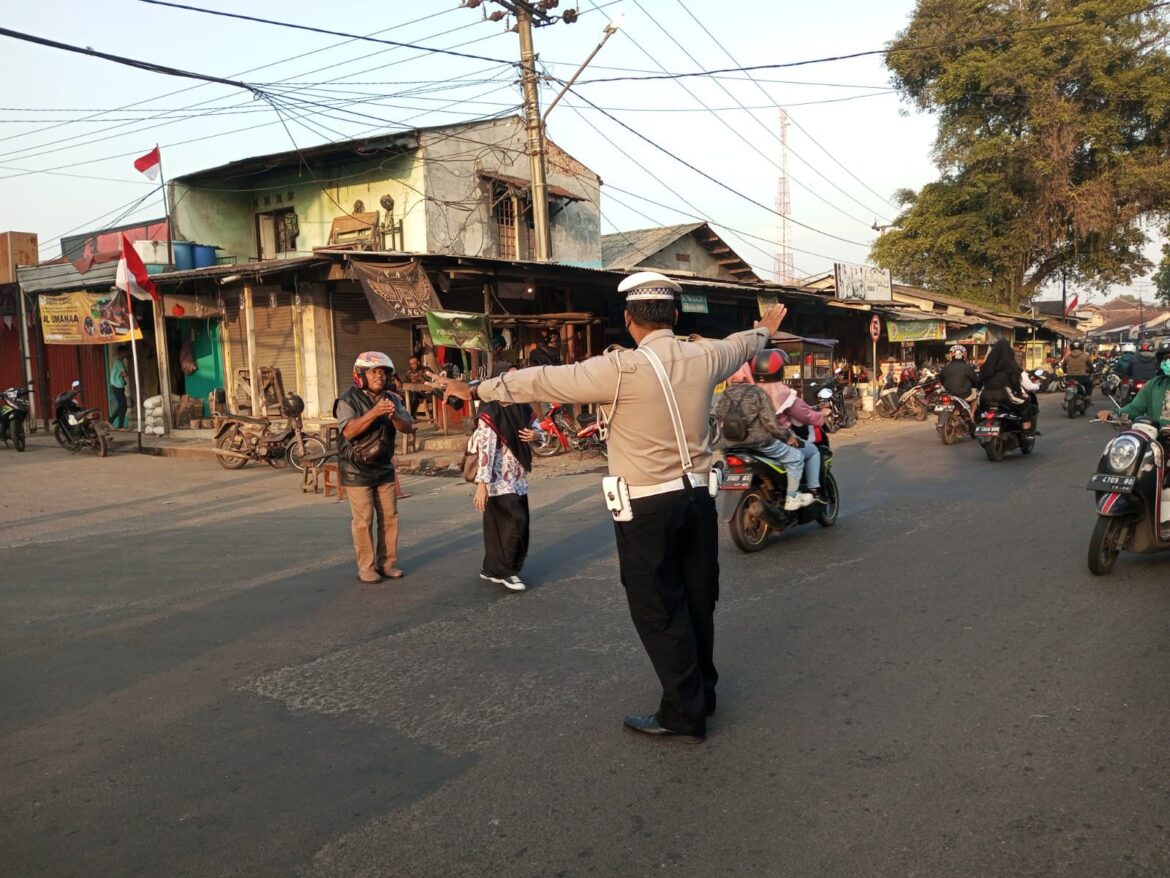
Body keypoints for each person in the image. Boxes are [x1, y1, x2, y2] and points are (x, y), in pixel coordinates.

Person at [435, 271, 788, 744]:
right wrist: (764, 326)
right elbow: (744, 343)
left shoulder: (618, 369)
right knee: (698, 600)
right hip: (700, 500)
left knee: (658, 609)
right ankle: (702, 692)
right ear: (675, 314)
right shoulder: (706, 356)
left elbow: (539, 380)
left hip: (647, 508)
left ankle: (684, 713)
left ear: (629, 319)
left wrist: (475, 390)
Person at [333, 352, 414, 584]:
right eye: (373, 372)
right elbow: (348, 431)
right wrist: (374, 413)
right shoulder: (347, 400)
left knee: (390, 517)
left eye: (383, 372)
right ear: (361, 376)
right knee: (364, 519)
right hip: (356, 467)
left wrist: (393, 415)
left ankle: (387, 563)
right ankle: (366, 567)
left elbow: (408, 427)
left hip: (384, 466)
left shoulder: (393, 398)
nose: (379, 376)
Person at [473, 363, 543, 592]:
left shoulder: (523, 408)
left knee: (497, 525)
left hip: (518, 477)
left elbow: (541, 433)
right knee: (516, 521)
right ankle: (508, 571)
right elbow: (485, 448)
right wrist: (481, 484)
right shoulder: (490, 410)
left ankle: (491, 568)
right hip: (497, 479)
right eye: (510, 378)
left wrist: (535, 435)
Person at [714, 359, 813, 511]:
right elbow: (770, 422)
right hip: (760, 444)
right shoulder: (756, 392)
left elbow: (717, 417)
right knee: (796, 458)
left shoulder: (724, 395)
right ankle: (792, 497)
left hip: (731, 446)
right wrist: (788, 436)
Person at [752, 351, 829, 502]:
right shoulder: (783, 393)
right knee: (812, 451)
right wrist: (822, 415)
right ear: (780, 371)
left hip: (751, 441)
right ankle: (813, 491)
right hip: (776, 440)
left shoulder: (751, 390)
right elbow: (804, 415)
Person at [1098, 340, 1170, 426]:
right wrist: (1113, 413)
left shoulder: (1134, 358)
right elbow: (1135, 409)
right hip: (1157, 437)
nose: (1168, 361)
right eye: (1165, 358)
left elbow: (1126, 370)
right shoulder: (1153, 385)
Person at [940, 344, 980, 416]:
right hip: (964, 395)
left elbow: (942, 380)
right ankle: (972, 415)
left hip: (949, 394)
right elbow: (975, 381)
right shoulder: (968, 367)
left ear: (951, 355)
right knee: (976, 398)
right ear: (964, 355)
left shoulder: (945, 368)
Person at [108, 345, 130, 430]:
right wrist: (124, 373)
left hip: (117, 386)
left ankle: (110, 420)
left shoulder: (118, 361)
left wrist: (123, 373)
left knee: (122, 406)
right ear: (123, 353)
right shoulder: (119, 362)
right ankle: (120, 426)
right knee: (123, 406)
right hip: (117, 386)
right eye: (126, 352)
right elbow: (125, 374)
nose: (127, 354)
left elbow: (124, 373)